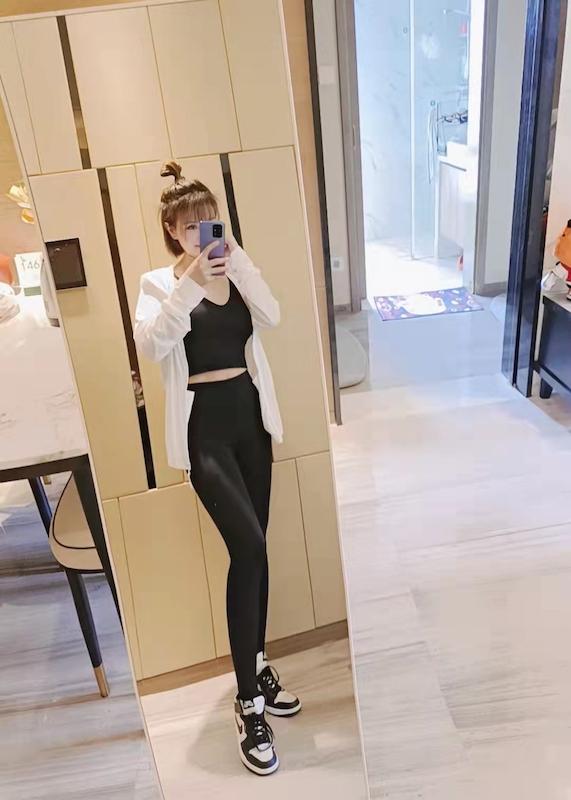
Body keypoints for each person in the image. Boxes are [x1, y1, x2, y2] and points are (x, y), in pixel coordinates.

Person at [134, 161, 301, 776]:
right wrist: (188, 282)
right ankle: (248, 704)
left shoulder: (236, 267)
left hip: (251, 422)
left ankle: (256, 665)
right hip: (204, 430)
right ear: (171, 231)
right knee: (249, 547)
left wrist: (240, 262)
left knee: (258, 552)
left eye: (209, 222)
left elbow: (273, 315)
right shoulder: (158, 284)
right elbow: (152, 346)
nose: (201, 233)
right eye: (189, 226)